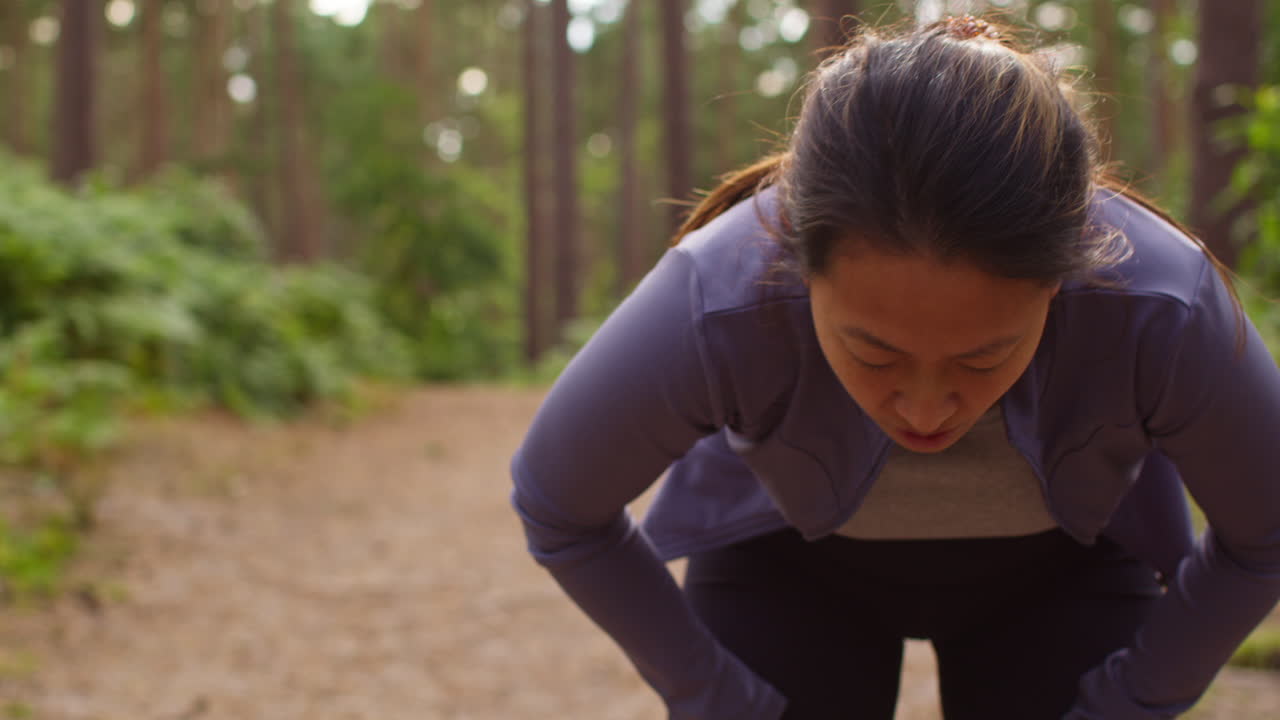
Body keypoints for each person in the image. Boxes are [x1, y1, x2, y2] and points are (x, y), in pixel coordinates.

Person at [509, 16, 1280, 720]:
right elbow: (559, 504)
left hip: (1062, 572)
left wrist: (1135, 702)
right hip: (787, 571)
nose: (923, 407)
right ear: (798, 266)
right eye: (873, 351)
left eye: (985, 355)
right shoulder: (724, 292)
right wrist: (711, 697)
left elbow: (1266, 533)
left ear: (1061, 280)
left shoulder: (1156, 300)